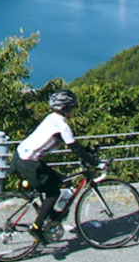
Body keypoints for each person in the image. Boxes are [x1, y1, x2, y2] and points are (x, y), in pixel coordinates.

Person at [10, 89, 102, 245]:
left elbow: (74, 145)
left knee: (58, 180)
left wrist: (88, 153)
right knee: (53, 192)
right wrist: (96, 163)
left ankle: (51, 216)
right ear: (65, 108)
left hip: (21, 156)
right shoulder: (62, 126)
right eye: (72, 107)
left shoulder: (52, 118)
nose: (74, 109)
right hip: (29, 162)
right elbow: (75, 149)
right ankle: (37, 227)